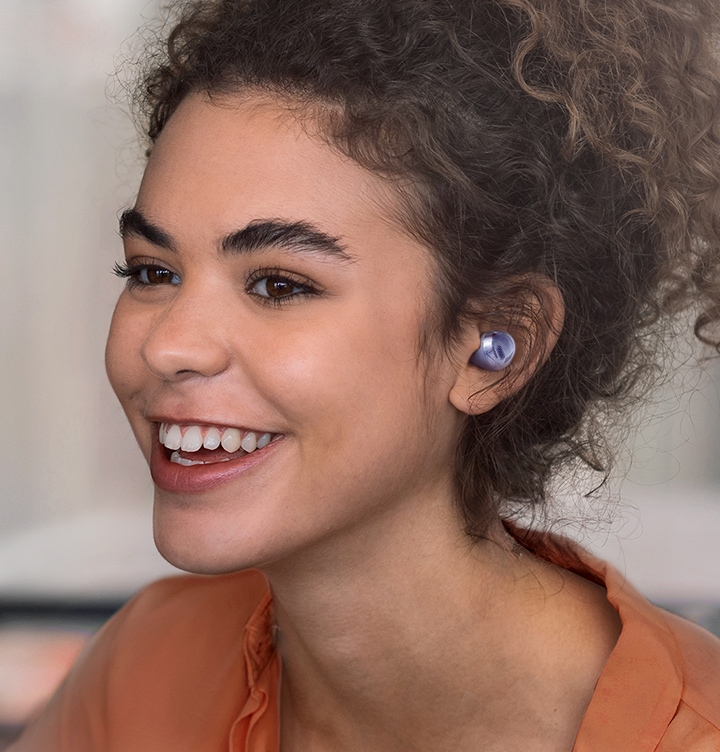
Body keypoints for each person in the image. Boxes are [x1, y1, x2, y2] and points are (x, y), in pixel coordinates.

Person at [11, 0, 720, 749]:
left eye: (279, 285)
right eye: (153, 271)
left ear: (496, 344)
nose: (168, 346)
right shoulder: (149, 669)